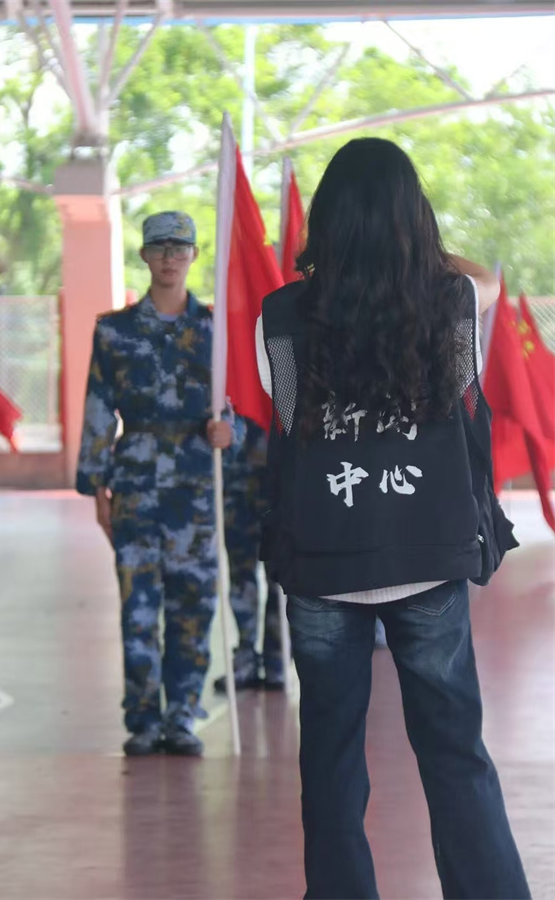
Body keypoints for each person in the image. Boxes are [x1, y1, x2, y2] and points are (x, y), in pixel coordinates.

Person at [256, 139, 531, 899]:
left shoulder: (279, 317)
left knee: (331, 763)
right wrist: (423, 251)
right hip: (427, 557)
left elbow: (284, 417)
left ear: (327, 220)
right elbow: (485, 280)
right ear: (415, 219)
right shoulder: (451, 306)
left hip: (324, 564)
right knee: (455, 755)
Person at [76, 211, 239, 758]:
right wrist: (96, 486)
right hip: (136, 484)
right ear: (144, 255)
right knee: (139, 607)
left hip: (196, 486)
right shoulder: (115, 331)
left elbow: (236, 405)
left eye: (180, 247)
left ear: (194, 255)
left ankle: (182, 715)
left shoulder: (216, 330)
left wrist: (230, 431)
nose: (170, 257)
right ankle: (143, 718)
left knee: (194, 605)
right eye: (160, 247)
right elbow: (99, 407)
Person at [214, 417, 284, 693]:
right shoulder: (229, 387)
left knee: (280, 578)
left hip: (278, 482)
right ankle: (245, 658)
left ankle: (278, 658)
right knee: (240, 575)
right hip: (237, 480)